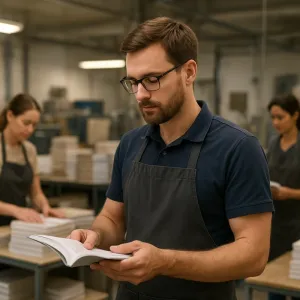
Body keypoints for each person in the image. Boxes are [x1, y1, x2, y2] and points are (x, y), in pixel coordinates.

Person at [69, 17, 274, 300]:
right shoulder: (131, 144)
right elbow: (113, 218)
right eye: (133, 82)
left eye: (152, 80)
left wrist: (164, 262)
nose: (141, 95)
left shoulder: (238, 148)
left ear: (189, 72)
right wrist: (95, 237)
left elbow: (253, 255)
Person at [0, 93, 64, 226]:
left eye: (34, 125)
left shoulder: (30, 150)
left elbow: (36, 193)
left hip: (19, 226)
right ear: (10, 116)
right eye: (26, 123)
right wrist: (16, 210)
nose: (30, 130)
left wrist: (45, 206)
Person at [267, 94, 300, 300]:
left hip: (298, 224)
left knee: (296, 284)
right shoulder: (273, 143)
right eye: (273, 118)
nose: (275, 122)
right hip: (276, 224)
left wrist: (291, 193)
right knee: (273, 285)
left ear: (295, 115)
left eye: (281, 117)